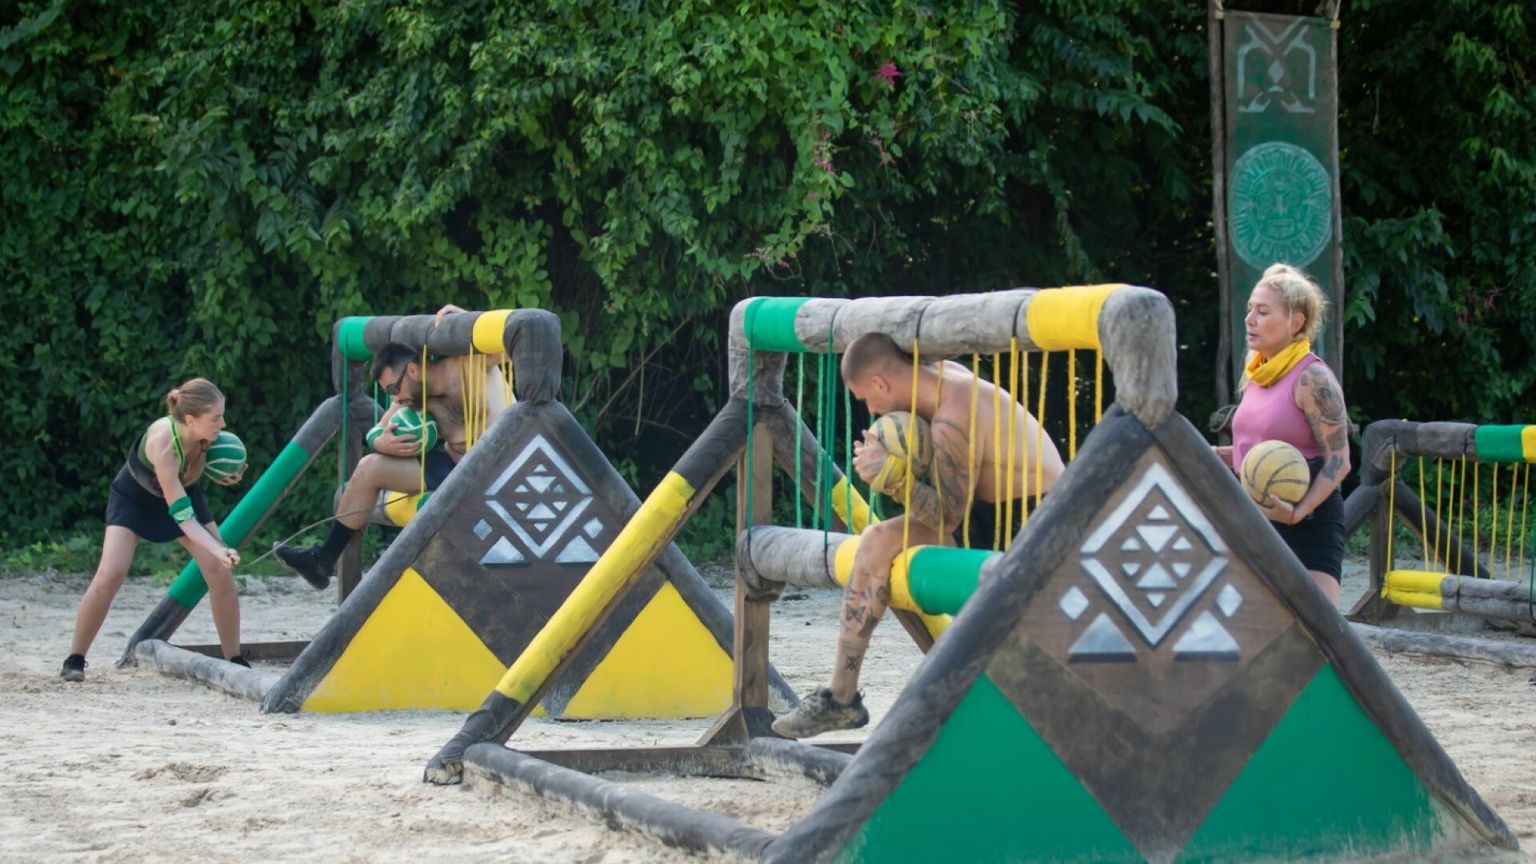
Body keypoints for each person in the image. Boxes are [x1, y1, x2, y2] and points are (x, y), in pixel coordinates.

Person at [771, 333, 1065, 738]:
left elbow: (946, 516)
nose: (871, 411)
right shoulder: (932, 386)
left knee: (887, 540)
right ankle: (840, 698)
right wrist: (893, 457)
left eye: (866, 399)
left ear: (880, 384)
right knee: (876, 540)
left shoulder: (955, 410)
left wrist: (893, 476)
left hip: (1035, 522)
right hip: (982, 511)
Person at [274, 306, 509, 588]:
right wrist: (379, 441)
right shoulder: (413, 393)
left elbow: (512, 337)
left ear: (412, 370)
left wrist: (467, 317)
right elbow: (378, 429)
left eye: (393, 390)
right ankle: (322, 561)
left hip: (499, 469)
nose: (395, 399)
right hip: (453, 467)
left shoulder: (469, 364)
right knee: (368, 467)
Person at [62, 378, 247, 682]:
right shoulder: (163, 444)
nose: (223, 424)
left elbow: (204, 474)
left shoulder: (208, 436)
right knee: (111, 573)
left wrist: (226, 472)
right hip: (135, 500)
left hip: (181, 495)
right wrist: (219, 547)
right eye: (216, 418)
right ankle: (75, 659)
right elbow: (184, 518)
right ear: (191, 419)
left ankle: (235, 660)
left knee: (218, 571)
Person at [1217, 263, 1350, 604]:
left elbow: (1339, 460)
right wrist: (1212, 455)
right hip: (1255, 519)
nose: (1250, 319)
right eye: (1249, 309)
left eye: (1263, 312)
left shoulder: (1313, 378)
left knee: (1318, 630)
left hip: (1309, 521)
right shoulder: (1258, 373)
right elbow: (1261, 452)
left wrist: (1299, 511)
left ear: (1296, 321)